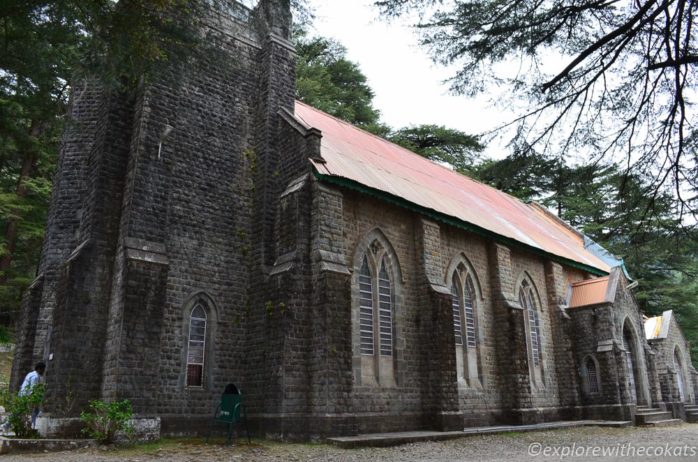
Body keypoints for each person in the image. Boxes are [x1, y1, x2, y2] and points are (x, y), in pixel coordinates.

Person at [19, 362, 46, 429]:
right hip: (27, 396)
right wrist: (33, 400)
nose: (44, 371)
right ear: (39, 369)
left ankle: (32, 425)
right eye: (43, 369)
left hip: (21, 394)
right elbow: (32, 389)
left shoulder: (31, 373)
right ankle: (32, 425)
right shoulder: (35, 377)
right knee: (35, 410)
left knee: (19, 411)